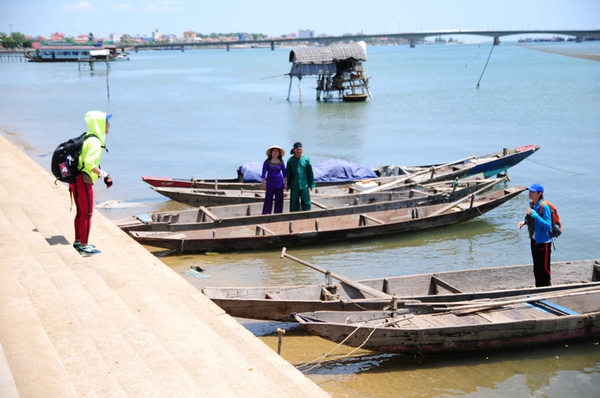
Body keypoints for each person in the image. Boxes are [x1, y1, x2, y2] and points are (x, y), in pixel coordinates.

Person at [69, 110, 113, 254]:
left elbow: (84, 159)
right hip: (83, 180)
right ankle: (84, 245)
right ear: (100, 124)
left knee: (81, 212)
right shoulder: (95, 141)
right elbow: (88, 163)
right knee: (87, 213)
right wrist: (104, 174)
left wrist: (98, 173)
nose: (109, 126)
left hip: (75, 179)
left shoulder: (87, 136)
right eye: (107, 122)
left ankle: (78, 241)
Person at [518, 183, 553, 286]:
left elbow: (548, 225)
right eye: (530, 191)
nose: (530, 194)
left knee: (544, 268)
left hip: (544, 242)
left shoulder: (544, 206)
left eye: (532, 192)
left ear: (539, 194)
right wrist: (524, 222)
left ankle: (546, 289)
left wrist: (536, 216)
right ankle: (538, 288)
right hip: (534, 240)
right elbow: (529, 217)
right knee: (536, 267)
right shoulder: (532, 204)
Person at [286, 142, 315, 212]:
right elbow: (288, 174)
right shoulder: (290, 161)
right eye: (297, 150)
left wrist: (311, 184)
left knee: (306, 201)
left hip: (304, 184)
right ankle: (294, 216)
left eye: (300, 149)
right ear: (294, 150)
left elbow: (310, 172)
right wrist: (287, 185)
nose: (299, 151)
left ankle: (307, 215)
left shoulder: (306, 160)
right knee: (294, 202)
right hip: (294, 185)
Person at [261, 145, 287, 214]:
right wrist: (263, 184)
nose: (275, 152)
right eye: (274, 151)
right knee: (268, 200)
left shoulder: (281, 162)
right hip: (270, 184)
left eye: (277, 151)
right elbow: (263, 174)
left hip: (279, 184)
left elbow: (285, 173)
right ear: (271, 152)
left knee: (279, 200)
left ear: (279, 153)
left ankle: (278, 215)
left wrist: (286, 183)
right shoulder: (266, 162)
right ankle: (266, 215)